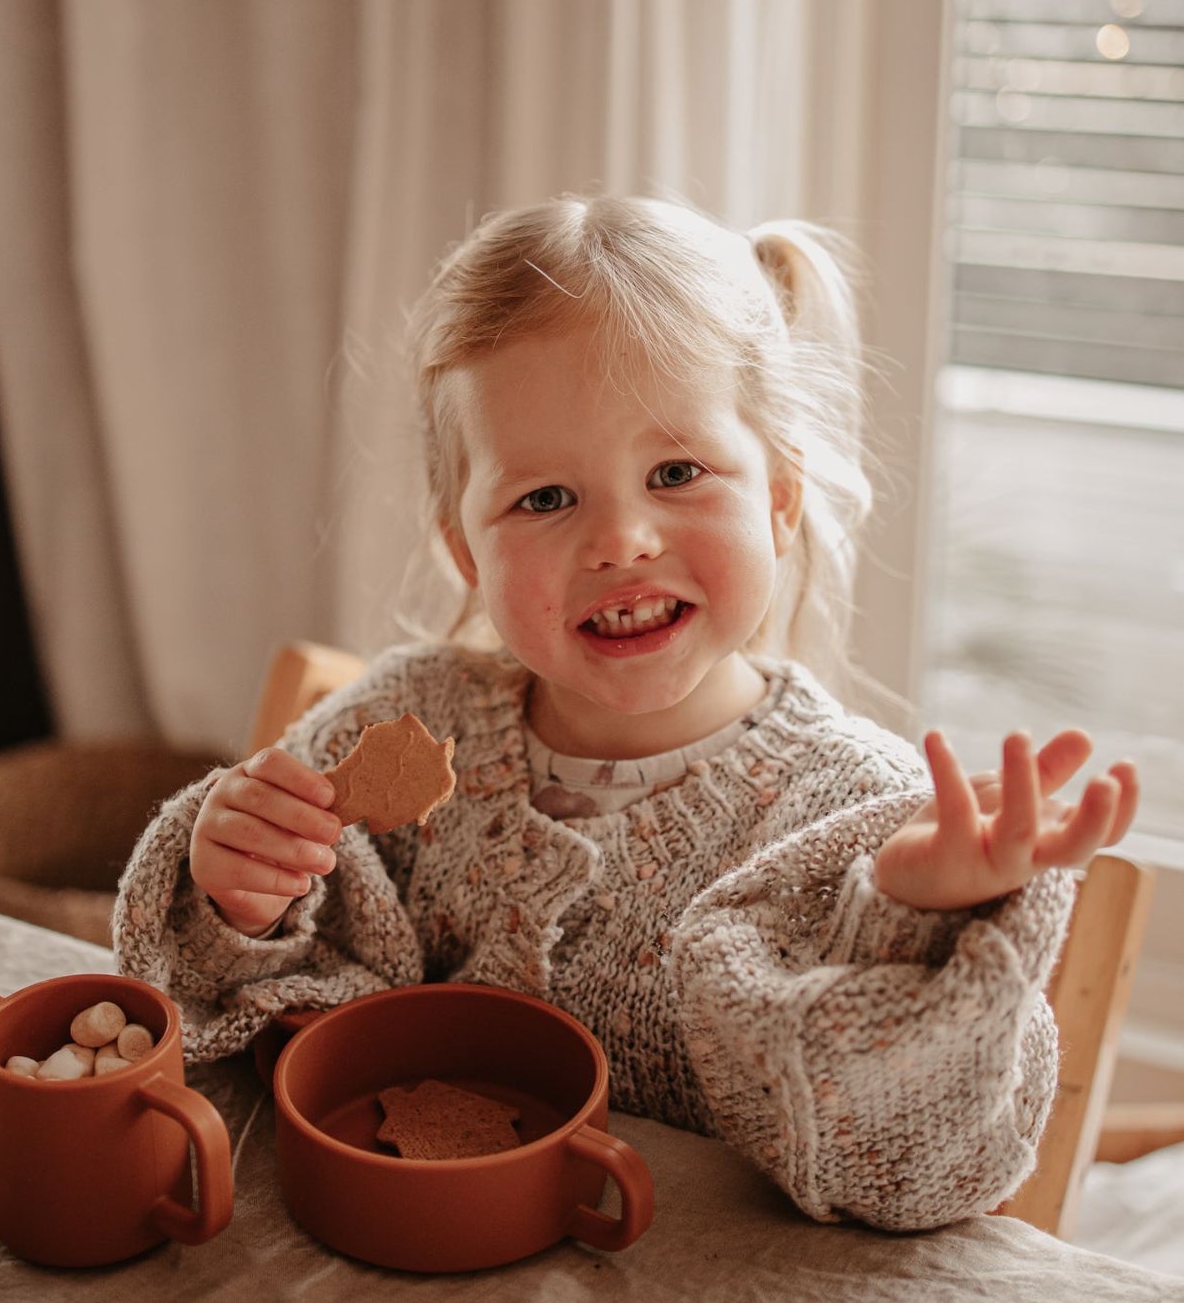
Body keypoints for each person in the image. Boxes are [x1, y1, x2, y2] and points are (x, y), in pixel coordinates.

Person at [114, 194, 1137, 1230]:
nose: (621, 540)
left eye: (676, 473)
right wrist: (239, 902)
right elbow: (239, 1015)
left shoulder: (862, 821)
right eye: (544, 498)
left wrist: (909, 931)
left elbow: (913, 1183)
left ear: (778, 500)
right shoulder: (389, 728)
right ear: (465, 552)